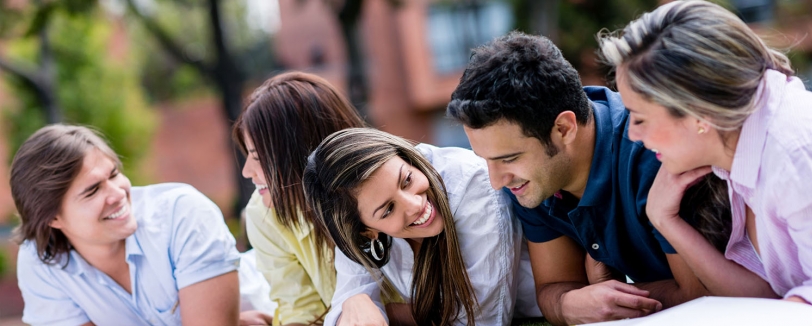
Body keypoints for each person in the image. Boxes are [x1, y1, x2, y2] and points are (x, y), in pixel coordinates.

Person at [446, 31, 726, 325]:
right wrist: (569, 305)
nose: (497, 181)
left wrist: (602, 296)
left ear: (564, 128)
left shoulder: (653, 154)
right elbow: (554, 288)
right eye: (487, 160)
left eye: (509, 158)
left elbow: (704, 295)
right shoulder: (535, 181)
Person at [598, 0, 812, 306]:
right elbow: (764, 298)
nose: (632, 134)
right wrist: (664, 219)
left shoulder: (796, 154)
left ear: (699, 113)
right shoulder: (740, 144)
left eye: (641, 118)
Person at [12, 125, 265, 325]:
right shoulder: (40, 261)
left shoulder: (183, 214)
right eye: (92, 191)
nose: (118, 194)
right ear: (52, 218)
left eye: (113, 175)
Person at [302, 128, 526, 326]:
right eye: (388, 209)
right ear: (366, 231)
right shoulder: (355, 223)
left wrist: (389, 312)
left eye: (406, 180)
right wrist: (354, 301)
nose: (416, 204)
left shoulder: (471, 183)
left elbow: (481, 320)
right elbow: (348, 309)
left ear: (406, 158)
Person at [232, 71, 369, 325]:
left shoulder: (383, 194)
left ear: (304, 154)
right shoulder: (263, 214)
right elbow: (301, 312)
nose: (247, 171)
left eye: (259, 158)